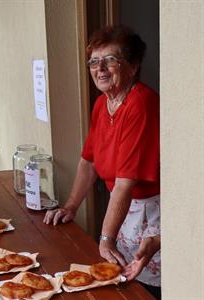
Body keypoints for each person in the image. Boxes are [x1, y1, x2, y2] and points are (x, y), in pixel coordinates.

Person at [43, 26, 160, 299]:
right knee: (126, 280)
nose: (101, 68)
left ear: (132, 66)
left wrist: (105, 237)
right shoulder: (102, 104)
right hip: (126, 211)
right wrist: (71, 205)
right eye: (94, 61)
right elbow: (89, 161)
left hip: (154, 212)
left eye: (111, 60)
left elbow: (125, 183)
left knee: (149, 288)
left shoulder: (140, 103)